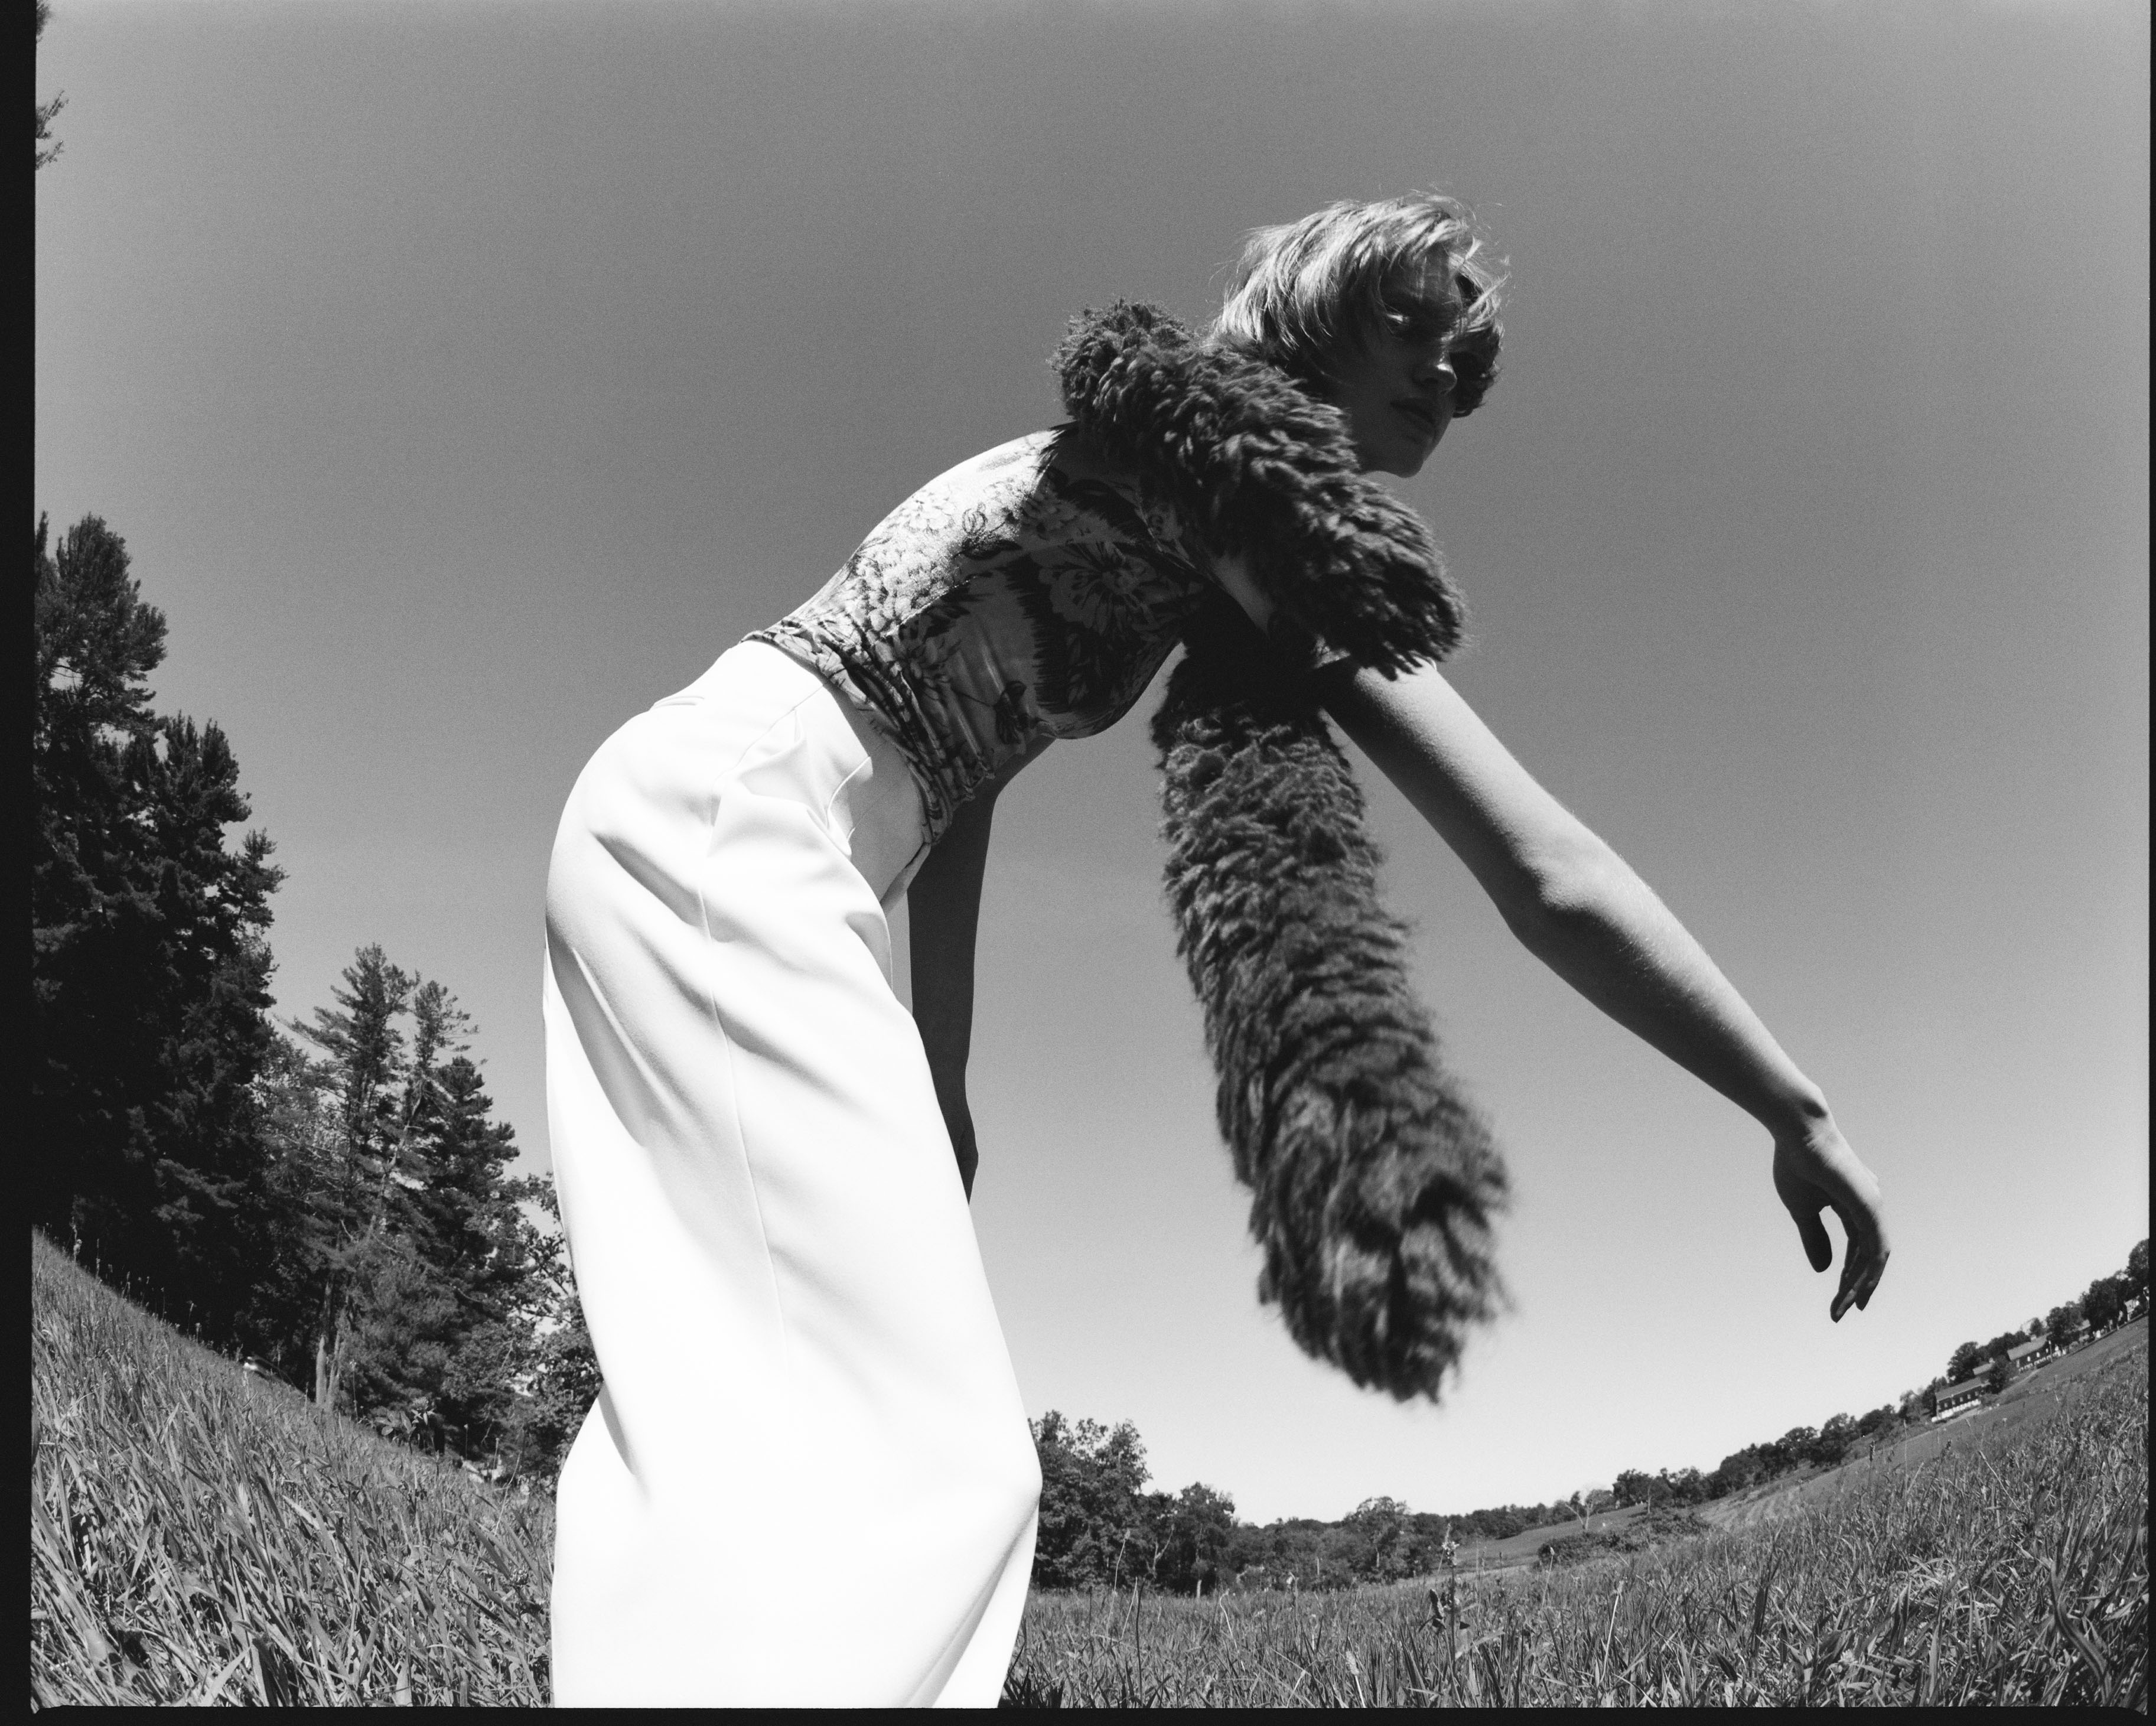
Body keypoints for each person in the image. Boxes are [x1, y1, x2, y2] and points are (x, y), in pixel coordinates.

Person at [540, 192, 1890, 1706]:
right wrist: (1790, 1103)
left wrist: (941, 1079)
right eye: (1419, 323)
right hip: (745, 815)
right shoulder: (1241, 495)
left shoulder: (1191, 489)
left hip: (757, 824)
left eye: (1473, 367)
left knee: (745, 1395)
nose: (1452, 373)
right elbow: (1543, 872)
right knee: (932, 1458)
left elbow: (965, 778)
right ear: (1313, 309)